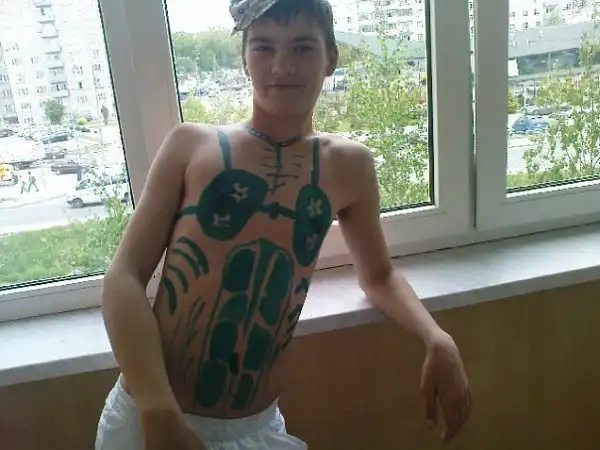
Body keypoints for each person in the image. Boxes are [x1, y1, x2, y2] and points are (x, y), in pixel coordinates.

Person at [96, 0, 472, 449]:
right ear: (244, 59)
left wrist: (436, 336)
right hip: (152, 421)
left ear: (331, 59)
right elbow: (123, 277)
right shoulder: (190, 146)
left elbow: (379, 276)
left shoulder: (348, 166)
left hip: (253, 429)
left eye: (302, 47)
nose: (282, 66)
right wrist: (156, 408)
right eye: (263, 47)